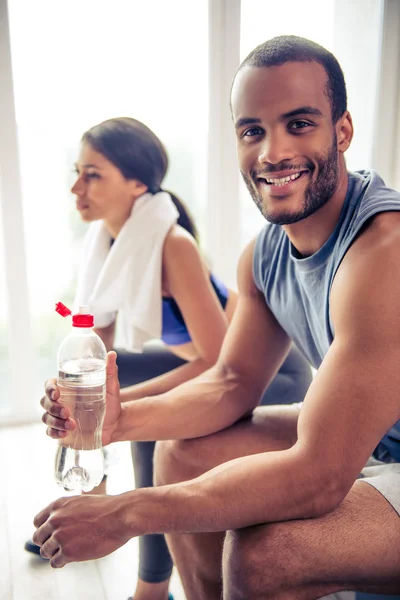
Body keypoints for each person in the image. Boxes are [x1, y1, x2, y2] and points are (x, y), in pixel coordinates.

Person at [34, 35, 400, 598]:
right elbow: (229, 381)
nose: (272, 152)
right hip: (377, 436)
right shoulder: (264, 254)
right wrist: (118, 419)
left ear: (342, 131)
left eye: (299, 123)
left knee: (263, 556)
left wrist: (126, 513)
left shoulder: (385, 252)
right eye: (252, 130)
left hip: (371, 448)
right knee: (181, 455)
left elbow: (322, 475)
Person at [29, 115, 312, 600]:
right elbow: (98, 346)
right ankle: (87, 498)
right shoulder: (109, 241)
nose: (77, 186)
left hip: (269, 376)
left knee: (149, 430)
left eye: (93, 174)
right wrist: (83, 395)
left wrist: (125, 406)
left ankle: (152, 589)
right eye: (77, 171)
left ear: (137, 182)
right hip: (209, 362)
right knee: (83, 384)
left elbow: (220, 363)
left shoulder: (172, 245)